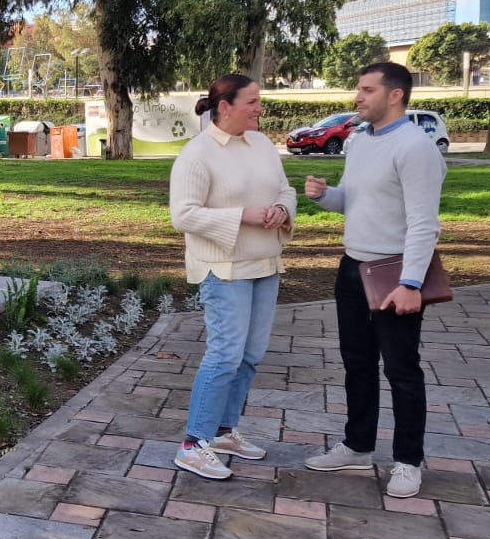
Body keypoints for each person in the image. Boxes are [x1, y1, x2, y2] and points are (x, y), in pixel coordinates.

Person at [303, 62, 446, 498]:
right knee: (357, 363)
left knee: (402, 370)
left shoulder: (415, 147)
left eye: (366, 90)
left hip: (394, 274)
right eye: (358, 89)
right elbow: (355, 201)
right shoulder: (360, 139)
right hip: (353, 268)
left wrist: (411, 284)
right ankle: (357, 445)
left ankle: (407, 461)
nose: (357, 97)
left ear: (395, 95)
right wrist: (325, 196)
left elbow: (425, 224)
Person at [168, 74, 296, 480]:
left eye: (260, 101)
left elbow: (285, 189)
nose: (260, 107)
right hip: (223, 269)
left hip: (265, 265)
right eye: (252, 101)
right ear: (225, 107)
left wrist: (281, 208)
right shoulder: (197, 154)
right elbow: (182, 215)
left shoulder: (261, 144)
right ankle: (193, 444)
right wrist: (241, 215)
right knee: (225, 355)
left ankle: (223, 432)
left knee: (250, 356)